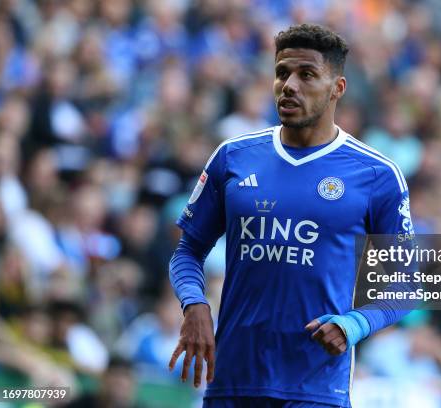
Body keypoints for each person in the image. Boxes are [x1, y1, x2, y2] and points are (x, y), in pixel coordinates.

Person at [168, 23, 414, 408]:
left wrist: (354, 324)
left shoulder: (376, 175)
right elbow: (188, 251)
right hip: (233, 381)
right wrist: (194, 304)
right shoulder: (233, 157)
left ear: (338, 88)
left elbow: (406, 283)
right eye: (282, 72)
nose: (289, 85)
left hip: (316, 387)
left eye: (307, 75)